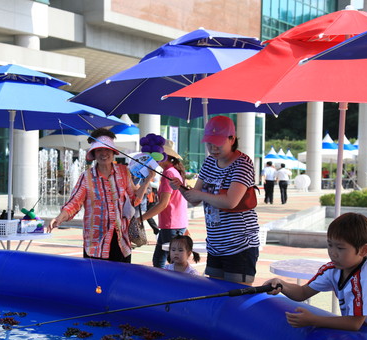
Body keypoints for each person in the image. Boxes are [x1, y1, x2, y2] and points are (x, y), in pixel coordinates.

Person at [264, 213, 367, 340]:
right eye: (329, 245)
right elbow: (303, 292)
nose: (333, 253)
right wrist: (281, 284)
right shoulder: (332, 269)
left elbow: (354, 323)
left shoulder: (366, 278)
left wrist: (312, 320)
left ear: (363, 250)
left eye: (340, 248)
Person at [171, 116, 259, 284]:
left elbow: (230, 201)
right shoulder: (210, 162)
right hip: (215, 245)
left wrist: (200, 195)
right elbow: (194, 197)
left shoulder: (243, 163)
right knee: (216, 294)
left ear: (232, 139)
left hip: (239, 245)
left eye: (217, 143)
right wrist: (180, 187)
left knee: (236, 296)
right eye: (209, 144)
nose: (213, 148)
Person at [47, 128, 154, 263]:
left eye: (107, 150)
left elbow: (134, 199)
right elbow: (74, 203)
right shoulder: (86, 177)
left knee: (118, 282)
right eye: (99, 150)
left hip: (122, 241)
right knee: (97, 284)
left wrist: (147, 180)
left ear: (113, 152)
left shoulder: (123, 172)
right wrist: (59, 218)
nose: (104, 154)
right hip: (96, 244)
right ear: (94, 154)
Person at [139, 137, 189, 268]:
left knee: (169, 262)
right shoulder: (174, 171)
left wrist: (141, 218)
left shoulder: (169, 173)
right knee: (161, 261)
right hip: (174, 224)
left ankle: (168, 286)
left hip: (172, 225)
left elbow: (163, 204)